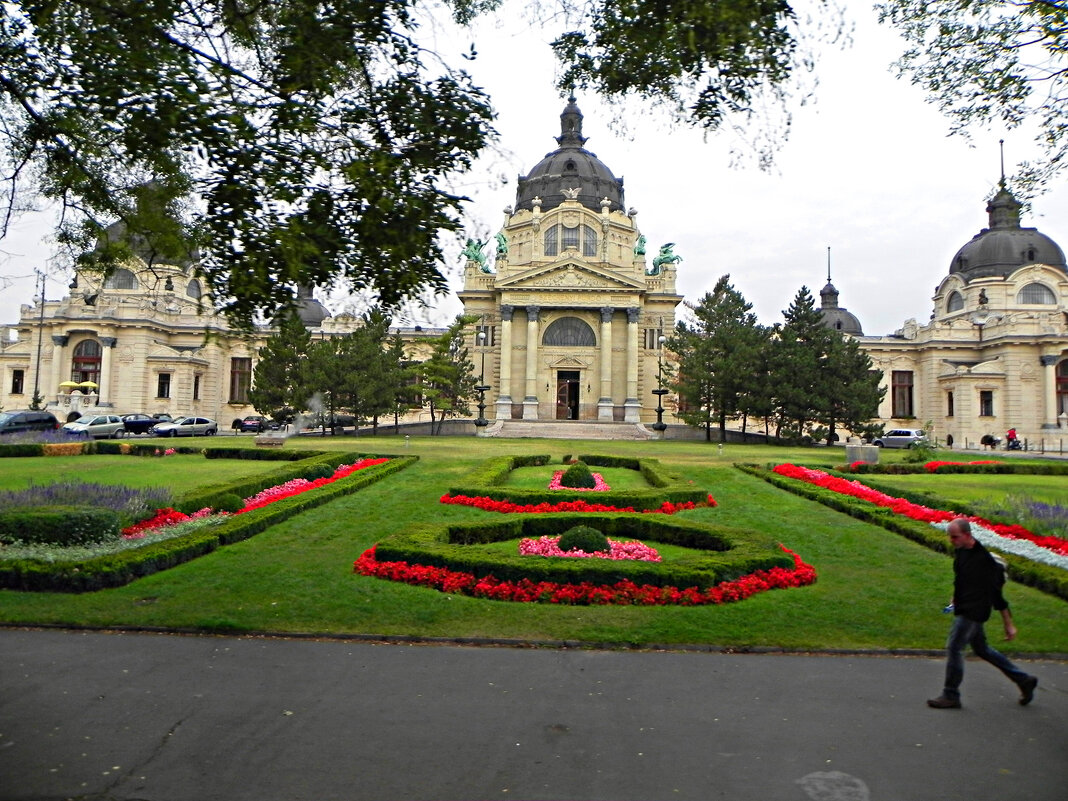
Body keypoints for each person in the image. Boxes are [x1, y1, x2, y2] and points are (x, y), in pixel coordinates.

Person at [928, 518, 1038, 709]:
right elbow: (960, 579)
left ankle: (951, 694)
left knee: (954, 648)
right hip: (964, 607)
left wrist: (1008, 624)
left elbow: (997, 597)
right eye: (951, 537)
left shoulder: (985, 563)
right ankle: (1024, 679)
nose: (951, 541)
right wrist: (955, 598)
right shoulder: (962, 552)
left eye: (955, 537)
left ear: (968, 535)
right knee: (982, 649)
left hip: (974, 612)